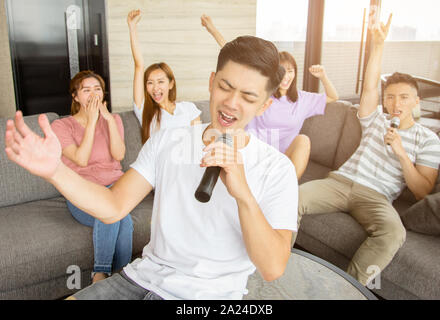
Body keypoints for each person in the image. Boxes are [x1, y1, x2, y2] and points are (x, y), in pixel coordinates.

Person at [5, 35, 298, 300]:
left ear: (263, 107)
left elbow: (272, 268)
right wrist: (54, 170)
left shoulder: (277, 168)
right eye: (225, 86)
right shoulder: (167, 141)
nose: (231, 103)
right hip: (141, 279)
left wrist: (243, 194)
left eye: (248, 97)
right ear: (211, 82)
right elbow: (113, 205)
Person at [298, 14, 440, 286]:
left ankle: (347, 291)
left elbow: (423, 190)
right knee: (288, 198)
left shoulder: (429, 140)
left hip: (377, 198)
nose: (395, 103)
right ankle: (279, 265)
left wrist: (401, 152)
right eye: (390, 96)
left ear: (416, 101)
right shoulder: (376, 117)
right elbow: (369, 87)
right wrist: (377, 46)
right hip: (341, 183)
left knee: (393, 234)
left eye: (403, 97)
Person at [201, 14, 339, 179]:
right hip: (250, 153)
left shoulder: (303, 99)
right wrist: (212, 29)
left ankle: (289, 187)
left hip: (281, 159)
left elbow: (333, 97)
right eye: (282, 71)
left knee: (303, 140)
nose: (286, 77)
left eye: (290, 71)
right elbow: (237, 60)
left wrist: (323, 76)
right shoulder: (259, 96)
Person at [50, 70, 132, 284]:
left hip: (115, 186)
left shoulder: (113, 119)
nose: (93, 94)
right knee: (115, 215)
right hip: (82, 190)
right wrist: (92, 122)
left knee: (120, 217)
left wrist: (108, 121)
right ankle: (109, 275)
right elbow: (81, 159)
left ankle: (111, 280)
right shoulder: (61, 126)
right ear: (75, 97)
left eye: (97, 89)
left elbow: (119, 155)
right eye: (86, 90)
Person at [128, 9, 201, 144]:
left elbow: (197, 144)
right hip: (161, 164)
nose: (155, 88)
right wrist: (132, 28)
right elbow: (139, 65)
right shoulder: (144, 111)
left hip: (188, 161)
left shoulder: (188, 108)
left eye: (160, 81)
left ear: (171, 84)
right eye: (150, 83)